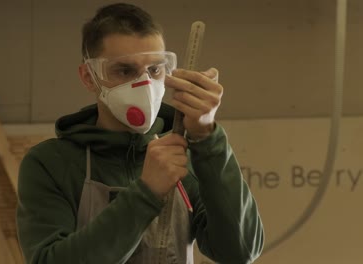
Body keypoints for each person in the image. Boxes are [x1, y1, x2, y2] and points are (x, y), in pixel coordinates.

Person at [17, 3, 264, 264]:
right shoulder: (51, 163)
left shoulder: (184, 157)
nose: (145, 84)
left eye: (155, 69)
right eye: (124, 70)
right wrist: (146, 193)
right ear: (90, 77)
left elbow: (240, 252)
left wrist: (208, 137)